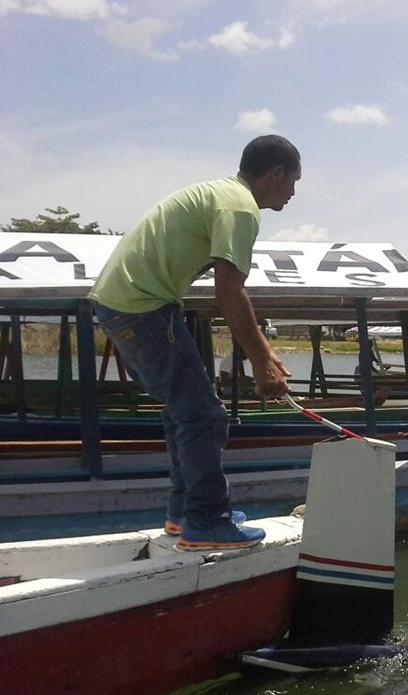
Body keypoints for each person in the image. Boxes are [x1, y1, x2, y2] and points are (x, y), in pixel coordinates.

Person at [89, 135, 300, 549]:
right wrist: (259, 362)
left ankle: (184, 514)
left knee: (184, 411)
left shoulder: (221, 194)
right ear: (275, 174)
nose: (294, 192)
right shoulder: (239, 207)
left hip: (123, 303)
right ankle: (206, 521)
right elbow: (229, 292)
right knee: (205, 416)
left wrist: (266, 352)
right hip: (143, 306)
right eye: (293, 181)